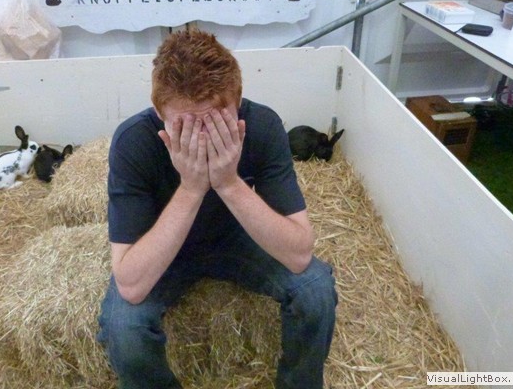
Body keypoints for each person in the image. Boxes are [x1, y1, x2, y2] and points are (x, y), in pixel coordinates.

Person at [97, 29, 337, 389]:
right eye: (184, 124)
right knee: (123, 327)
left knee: (315, 290)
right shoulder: (134, 141)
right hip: (165, 248)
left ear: (237, 104)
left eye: (215, 121)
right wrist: (191, 187)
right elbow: (130, 284)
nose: (201, 138)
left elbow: (300, 254)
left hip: (239, 239)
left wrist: (227, 183)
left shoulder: (262, 126)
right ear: (159, 112)